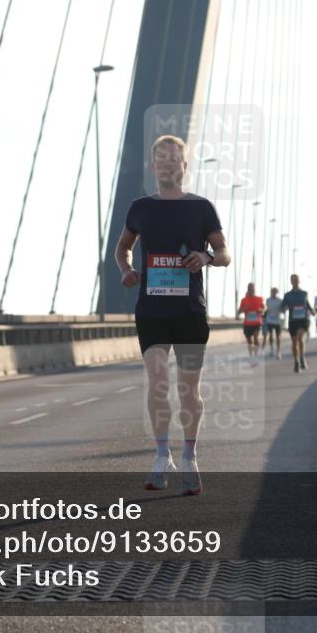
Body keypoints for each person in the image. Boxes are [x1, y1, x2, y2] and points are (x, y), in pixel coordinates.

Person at [115, 134, 230, 496]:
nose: (167, 164)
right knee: (159, 381)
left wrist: (207, 258)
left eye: (173, 159)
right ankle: (161, 456)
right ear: (153, 166)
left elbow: (225, 252)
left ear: (184, 166)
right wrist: (126, 269)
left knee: (188, 389)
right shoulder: (140, 208)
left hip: (189, 312)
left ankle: (190, 456)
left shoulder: (202, 208)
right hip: (152, 312)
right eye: (160, 158)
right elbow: (122, 248)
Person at [281, 274, 314, 373]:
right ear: (291, 282)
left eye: (296, 280)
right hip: (293, 321)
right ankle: (296, 361)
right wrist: (284, 308)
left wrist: (312, 311)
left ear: (299, 281)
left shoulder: (304, 293)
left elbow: (307, 304)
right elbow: (282, 307)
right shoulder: (287, 295)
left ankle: (302, 357)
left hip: (303, 320)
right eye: (293, 280)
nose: (295, 281)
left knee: (300, 337)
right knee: (294, 342)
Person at [237, 283, 265, 362]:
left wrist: (261, 310)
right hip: (247, 324)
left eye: (252, 288)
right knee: (249, 342)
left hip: (257, 322)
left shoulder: (260, 299)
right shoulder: (244, 300)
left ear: (255, 289)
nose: (251, 289)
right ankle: (251, 356)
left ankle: (256, 355)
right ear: (247, 289)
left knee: (256, 337)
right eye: (249, 288)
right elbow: (239, 311)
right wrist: (244, 309)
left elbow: (264, 308)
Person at [261, 287, 284, 359]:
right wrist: (263, 312)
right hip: (269, 320)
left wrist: (283, 310)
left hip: (277, 320)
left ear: (277, 292)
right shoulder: (268, 300)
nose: (273, 293)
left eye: (275, 292)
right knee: (270, 335)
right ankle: (271, 349)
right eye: (272, 291)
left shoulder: (280, 300)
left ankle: (278, 351)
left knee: (278, 336)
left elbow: (282, 309)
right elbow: (266, 309)